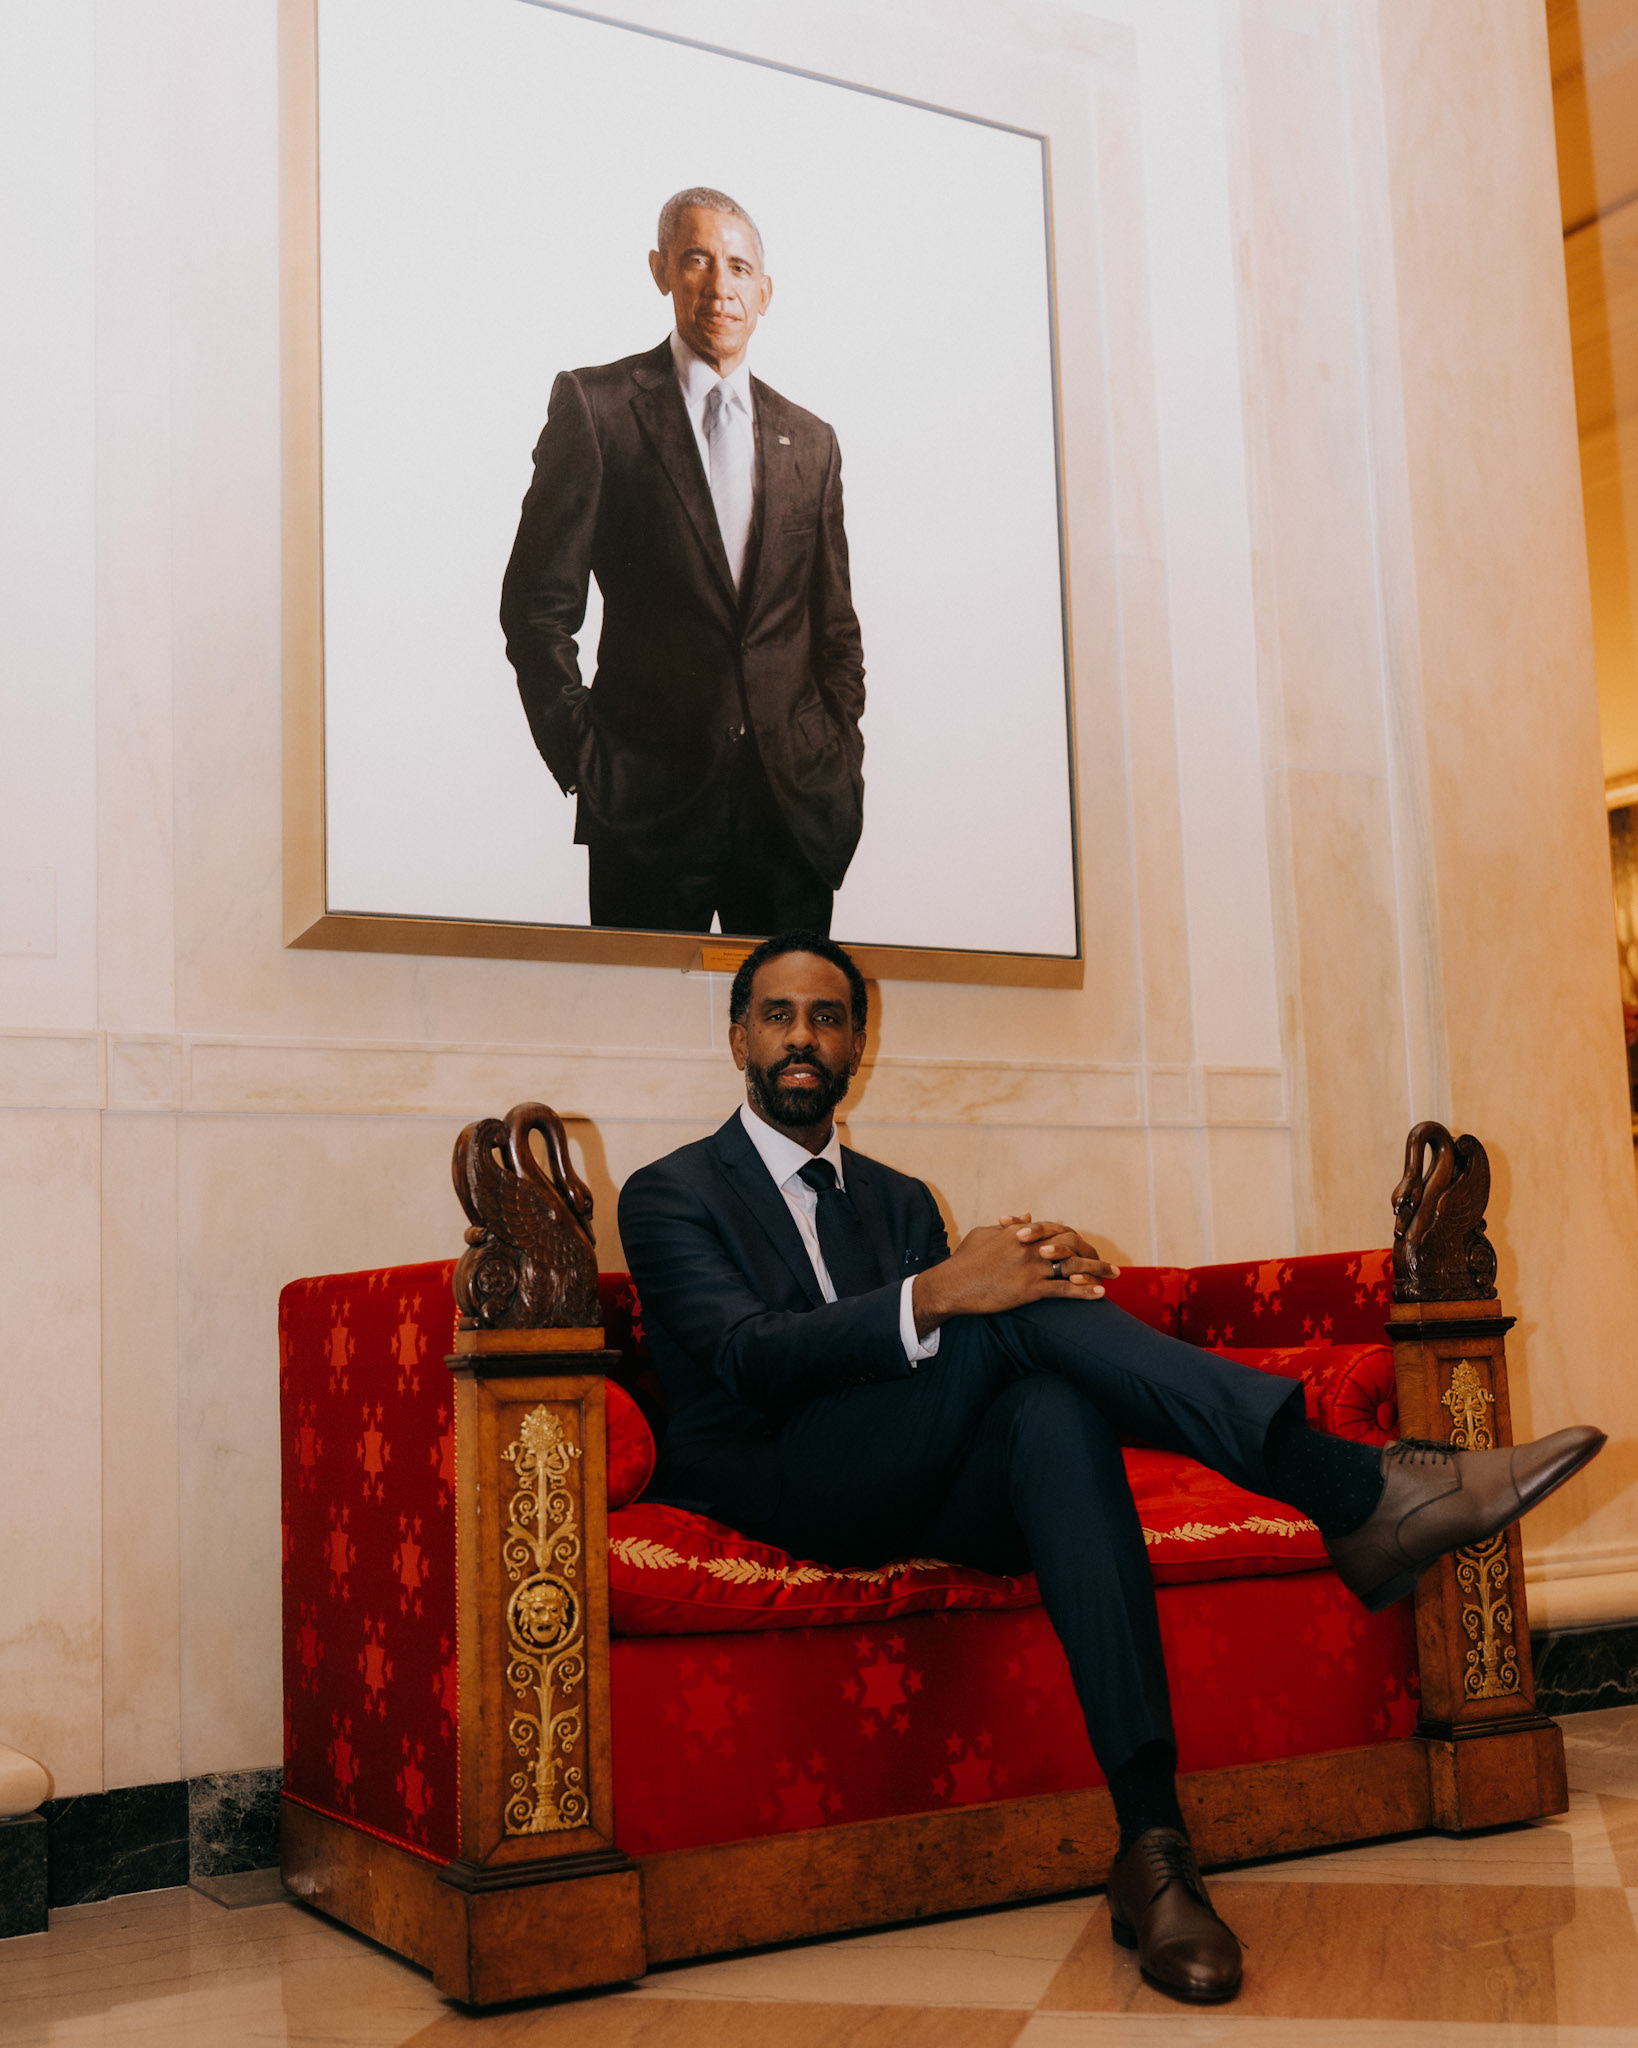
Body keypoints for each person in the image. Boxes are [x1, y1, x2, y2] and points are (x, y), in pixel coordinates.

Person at [617, 930, 1606, 2006]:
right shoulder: (669, 1192)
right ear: (738, 1039)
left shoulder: (899, 1200)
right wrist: (958, 1290)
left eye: (827, 1016)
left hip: (909, 1474)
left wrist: (1040, 1272)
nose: (803, 1036)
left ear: (859, 1041)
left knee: (1049, 1409)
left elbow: (946, 1368)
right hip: (779, 1482)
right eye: (778, 1015)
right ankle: (1355, 1489)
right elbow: (747, 1359)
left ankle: (1152, 1845)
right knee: (1011, 1321)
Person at [500, 188, 865, 937]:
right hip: (646, 815)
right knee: (643, 1013)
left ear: (765, 292)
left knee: (785, 1017)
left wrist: (835, 756)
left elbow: (836, 630)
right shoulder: (598, 408)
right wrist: (589, 762)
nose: (720, 285)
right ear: (661, 269)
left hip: (791, 817)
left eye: (739, 267)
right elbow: (536, 609)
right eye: (697, 259)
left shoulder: (812, 440)